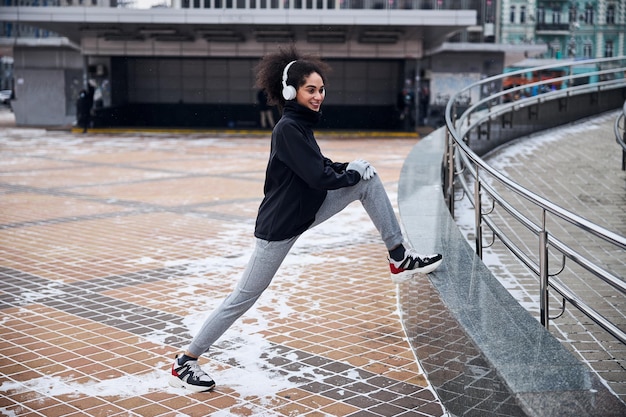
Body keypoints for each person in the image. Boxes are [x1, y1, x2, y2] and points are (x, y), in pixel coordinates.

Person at [168, 45, 443, 393]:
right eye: (310, 89)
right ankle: (186, 360)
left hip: (306, 210)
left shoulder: (300, 125)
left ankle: (398, 255)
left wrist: (350, 168)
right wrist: (347, 174)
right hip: (280, 227)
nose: (318, 96)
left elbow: (323, 165)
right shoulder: (287, 129)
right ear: (290, 91)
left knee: (367, 181)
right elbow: (317, 176)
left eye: (321, 89)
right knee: (244, 296)